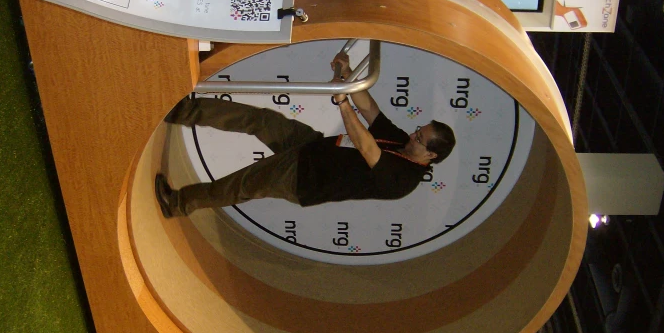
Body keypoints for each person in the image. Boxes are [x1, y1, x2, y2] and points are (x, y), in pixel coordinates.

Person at [155, 51, 455, 218]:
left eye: (420, 139)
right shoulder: (401, 141)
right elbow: (371, 109)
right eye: (418, 131)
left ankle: (178, 204)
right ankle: (180, 110)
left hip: (303, 178)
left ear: (431, 155)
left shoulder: (404, 180)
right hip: (311, 147)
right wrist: (347, 77)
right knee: (260, 120)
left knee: (242, 184)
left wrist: (341, 100)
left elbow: (365, 145)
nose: (413, 136)